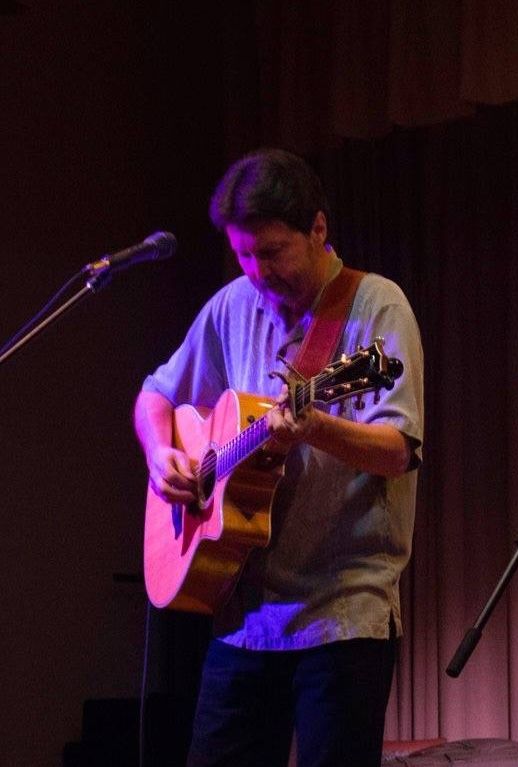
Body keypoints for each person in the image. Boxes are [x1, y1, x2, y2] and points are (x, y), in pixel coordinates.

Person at [135, 148, 424, 766]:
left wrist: (313, 426)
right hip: (244, 615)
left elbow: (399, 450)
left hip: (342, 615)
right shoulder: (231, 306)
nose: (257, 272)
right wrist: (162, 454)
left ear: (318, 229)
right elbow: (155, 395)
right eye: (244, 255)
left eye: (271, 252)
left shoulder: (377, 306)